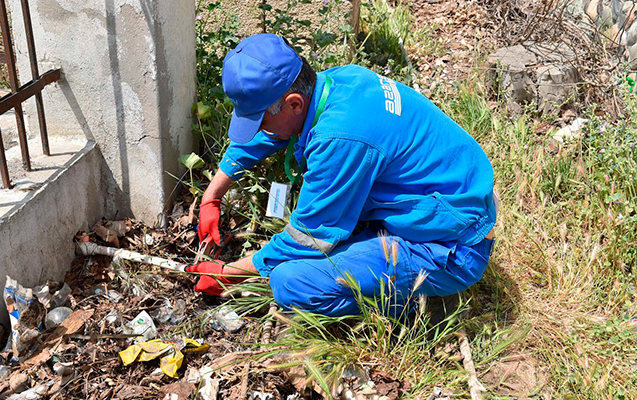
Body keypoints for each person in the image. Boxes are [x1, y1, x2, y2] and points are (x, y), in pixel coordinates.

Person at [187, 33, 497, 317]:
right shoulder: (340, 81)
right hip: (451, 199)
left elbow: (308, 238)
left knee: (290, 283)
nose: (260, 130)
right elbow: (270, 134)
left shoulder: (340, 139)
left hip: (451, 249)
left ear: (293, 104)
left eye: (260, 121)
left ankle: (423, 306)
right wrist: (211, 196)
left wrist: (229, 273)